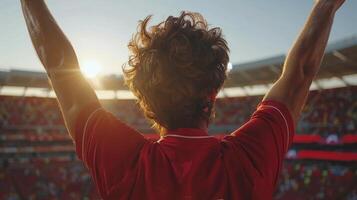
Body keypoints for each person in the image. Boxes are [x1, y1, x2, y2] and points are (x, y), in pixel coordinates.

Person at [20, 0, 346, 199]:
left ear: (143, 98)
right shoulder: (248, 160)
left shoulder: (126, 164)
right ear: (214, 91)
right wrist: (326, 5)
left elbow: (58, 63)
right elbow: (301, 71)